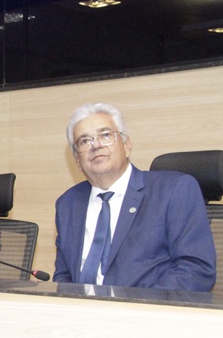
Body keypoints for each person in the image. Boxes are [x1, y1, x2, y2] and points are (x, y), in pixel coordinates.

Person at [54, 103, 216, 291]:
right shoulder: (67, 204)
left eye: (105, 135)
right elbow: (63, 276)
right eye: (84, 141)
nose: (96, 145)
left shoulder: (174, 190)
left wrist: (136, 306)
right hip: (79, 308)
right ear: (77, 159)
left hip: (148, 307)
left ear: (127, 145)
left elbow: (196, 270)